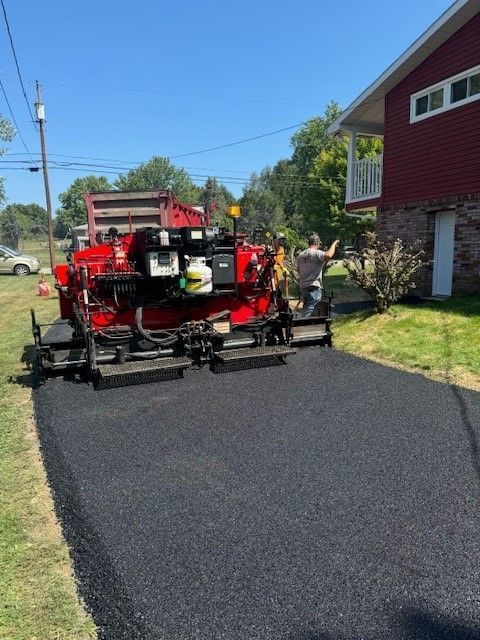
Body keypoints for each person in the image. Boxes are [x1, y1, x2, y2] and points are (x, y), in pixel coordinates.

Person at [297, 234, 339, 316]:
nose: (320, 246)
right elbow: (329, 255)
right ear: (316, 243)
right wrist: (334, 244)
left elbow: (299, 271)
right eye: (319, 244)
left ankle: (304, 323)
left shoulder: (301, 255)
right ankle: (304, 325)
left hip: (303, 287)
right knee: (312, 309)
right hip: (314, 287)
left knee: (307, 307)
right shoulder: (316, 253)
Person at [271, 232, 289, 296]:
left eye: (282, 240)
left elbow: (280, 261)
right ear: (274, 241)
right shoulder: (269, 249)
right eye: (279, 240)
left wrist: (283, 268)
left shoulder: (281, 249)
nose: (281, 242)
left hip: (278, 274)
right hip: (270, 275)